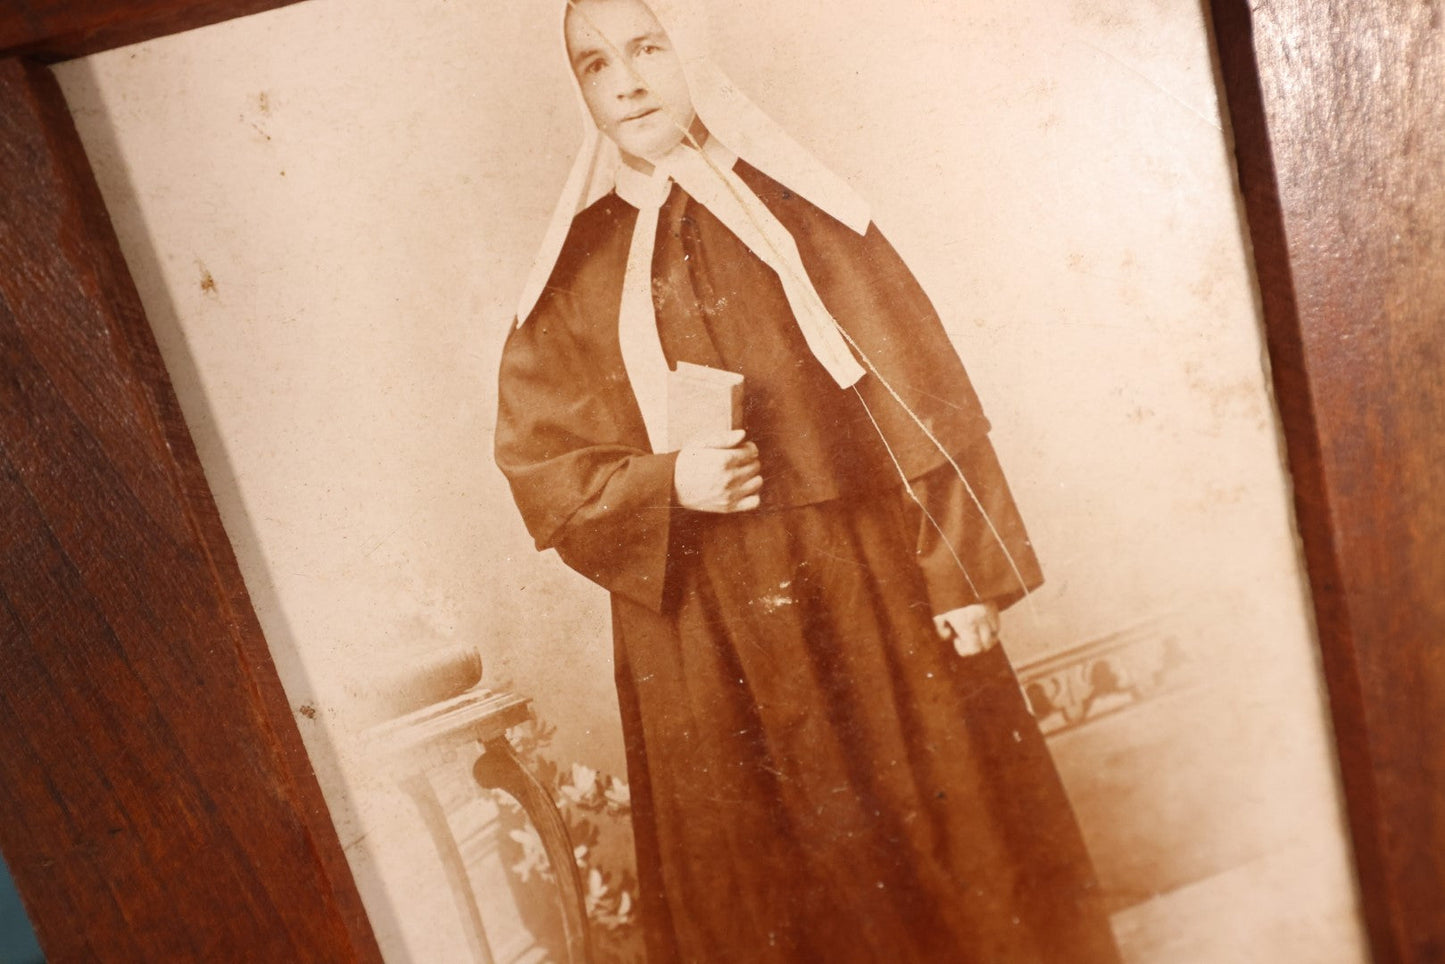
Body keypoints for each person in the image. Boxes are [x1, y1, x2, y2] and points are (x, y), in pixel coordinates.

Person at [495, 0, 1122, 960]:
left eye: (648, 48)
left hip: (864, 594)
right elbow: (547, 472)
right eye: (594, 64)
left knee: (937, 842)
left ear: (689, 54)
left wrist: (958, 573)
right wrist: (669, 486)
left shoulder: (796, 214)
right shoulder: (575, 275)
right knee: (761, 886)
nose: (624, 81)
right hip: (699, 637)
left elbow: (921, 398)